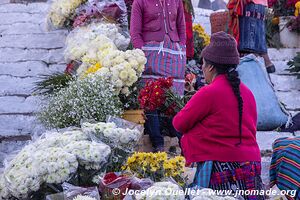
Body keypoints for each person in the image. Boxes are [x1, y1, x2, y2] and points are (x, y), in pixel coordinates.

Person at [173, 32, 265, 200]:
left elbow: (179, 123)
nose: (201, 68)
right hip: (250, 168)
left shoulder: (209, 92)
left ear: (210, 67)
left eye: (203, 64)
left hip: (220, 168)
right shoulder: (248, 93)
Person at [130, 0, 186, 152]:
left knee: (174, 98)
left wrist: (182, 46)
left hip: (174, 53)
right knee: (150, 97)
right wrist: (141, 52)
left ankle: (184, 144)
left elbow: (181, 26)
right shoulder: (140, 2)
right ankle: (158, 143)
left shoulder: (176, 1)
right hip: (151, 53)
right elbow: (135, 32)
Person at [227, 0, 276, 73]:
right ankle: (266, 62)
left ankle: (262, 61)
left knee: (249, 37)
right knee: (257, 32)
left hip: (250, 3)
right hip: (257, 5)